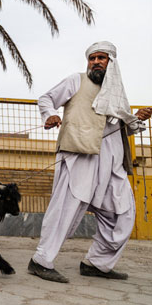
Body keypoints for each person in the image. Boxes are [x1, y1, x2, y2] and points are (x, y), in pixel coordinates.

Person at [28, 41, 152, 283]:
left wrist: (135, 118)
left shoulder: (118, 95)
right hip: (80, 155)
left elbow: (119, 129)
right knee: (66, 209)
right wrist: (50, 114)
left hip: (112, 162)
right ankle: (40, 261)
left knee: (122, 213)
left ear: (111, 63)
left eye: (101, 58)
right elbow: (46, 98)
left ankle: (97, 263)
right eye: (92, 58)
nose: (95, 62)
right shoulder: (76, 81)